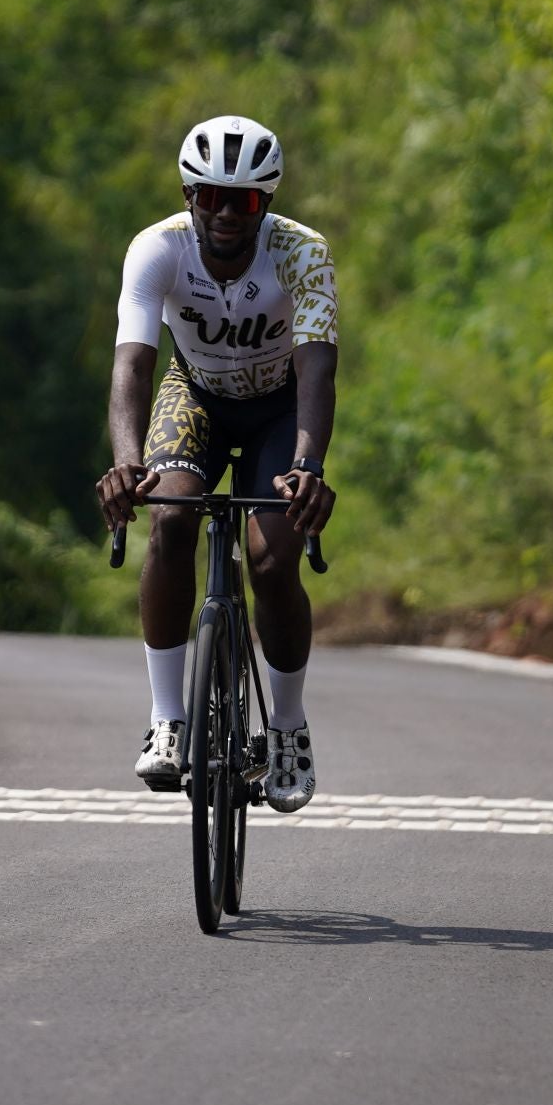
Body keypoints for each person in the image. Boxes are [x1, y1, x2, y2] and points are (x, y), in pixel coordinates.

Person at [95, 116, 339, 811]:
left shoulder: (303, 253)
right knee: (170, 520)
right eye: (211, 197)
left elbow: (317, 370)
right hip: (194, 394)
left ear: (267, 203)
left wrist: (308, 464)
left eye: (246, 200)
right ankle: (167, 718)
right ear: (189, 196)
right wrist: (126, 463)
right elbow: (132, 366)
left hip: (277, 407)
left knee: (272, 559)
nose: (228, 213)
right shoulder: (157, 249)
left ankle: (286, 727)